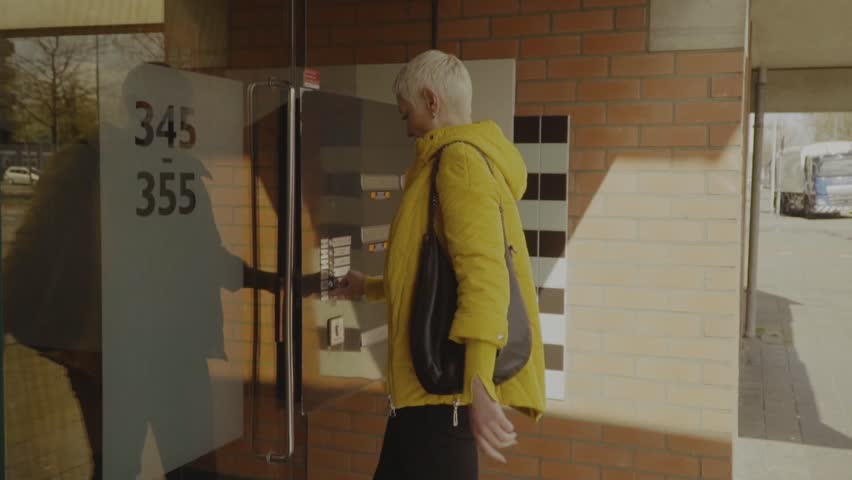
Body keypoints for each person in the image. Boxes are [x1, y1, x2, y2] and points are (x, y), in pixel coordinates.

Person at [332, 50, 546, 479]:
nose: (407, 126)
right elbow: (430, 272)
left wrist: (480, 387)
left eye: (406, 112)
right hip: (424, 402)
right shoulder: (452, 161)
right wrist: (371, 286)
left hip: (441, 404)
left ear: (432, 102)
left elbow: (484, 277)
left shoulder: (459, 162)